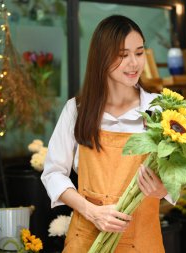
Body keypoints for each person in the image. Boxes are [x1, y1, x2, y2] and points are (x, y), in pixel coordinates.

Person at [41, 15, 172, 253]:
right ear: (102, 57)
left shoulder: (160, 110)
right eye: (123, 55)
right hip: (86, 239)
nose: (134, 63)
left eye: (139, 53)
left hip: (142, 242)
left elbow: (176, 180)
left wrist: (162, 189)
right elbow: (53, 173)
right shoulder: (77, 110)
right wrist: (92, 212)